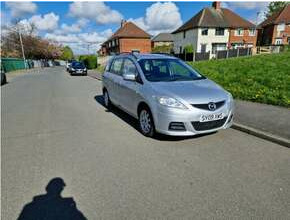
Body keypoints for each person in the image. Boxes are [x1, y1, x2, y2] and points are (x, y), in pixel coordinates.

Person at [17, 177, 87, 220]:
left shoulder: (67, 207)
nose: (58, 190)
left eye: (59, 188)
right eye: (57, 187)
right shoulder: (33, 207)